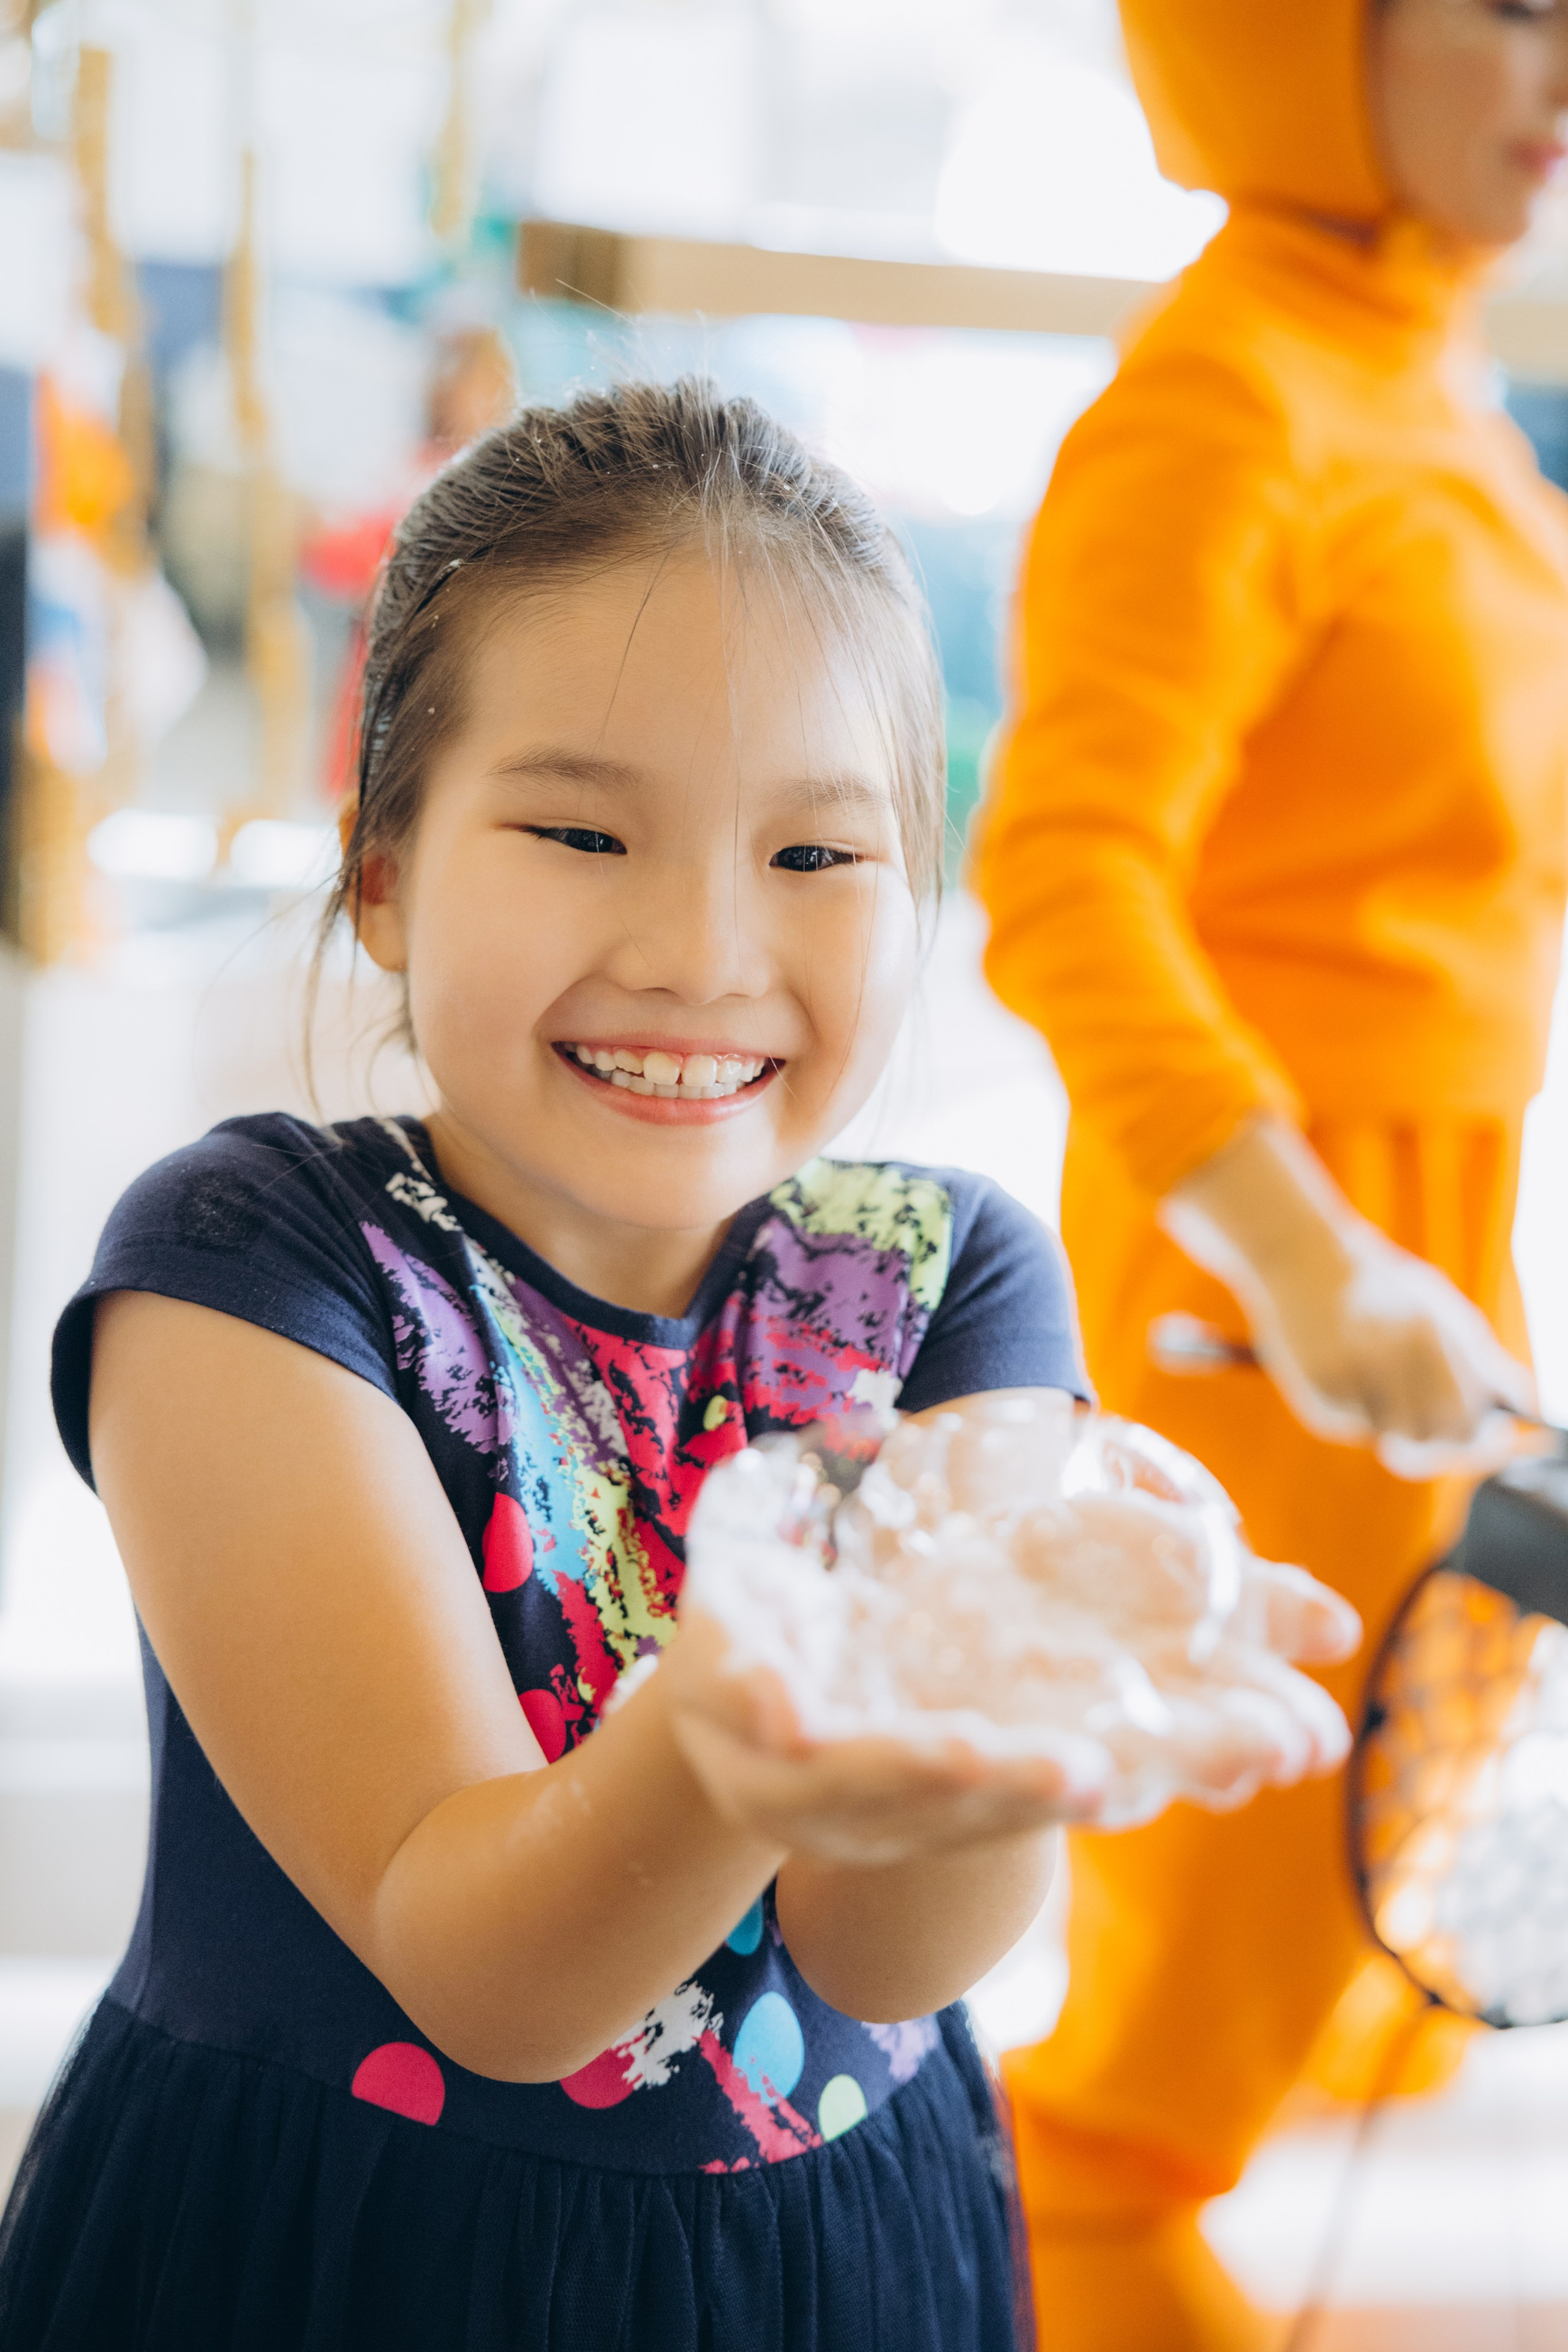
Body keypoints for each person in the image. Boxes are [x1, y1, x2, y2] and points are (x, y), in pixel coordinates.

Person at [0, 380, 1357, 2351]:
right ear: (382, 867)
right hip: (337, 2262)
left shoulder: (947, 1279)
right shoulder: (250, 1268)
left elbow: (890, 1957)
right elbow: (491, 1974)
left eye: (815, 853)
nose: (707, 949)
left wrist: (1008, 1702)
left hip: (842, 2264)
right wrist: (741, 1717)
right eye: (580, 830)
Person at [974, 2, 1568, 2346]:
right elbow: (1064, 877)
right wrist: (1304, 1261)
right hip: (1273, 1244)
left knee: (1418, 1727)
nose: (1559, 69)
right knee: (1256, 1800)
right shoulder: (1224, 403)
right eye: (1503, 4)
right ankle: (1088, 2215)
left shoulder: (1421, 377)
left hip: (1432, 1206)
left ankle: (1245, 2098)